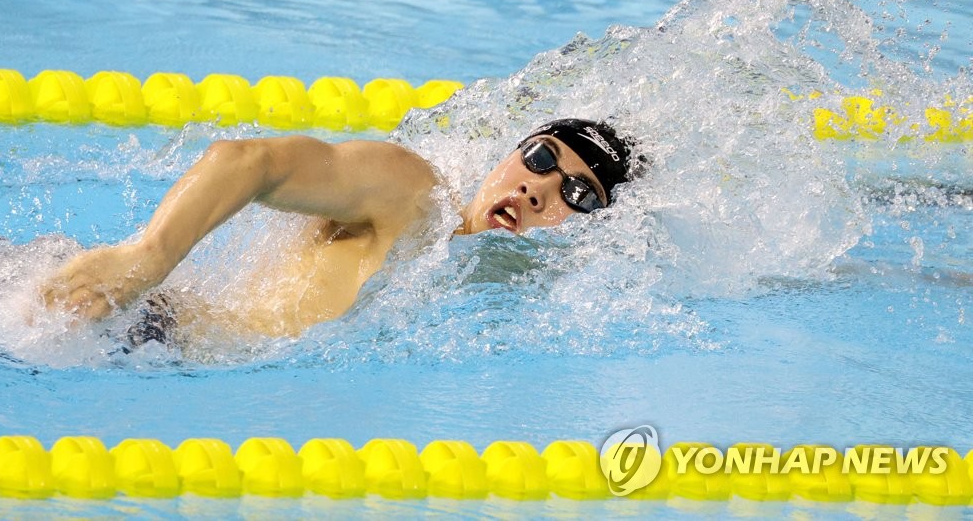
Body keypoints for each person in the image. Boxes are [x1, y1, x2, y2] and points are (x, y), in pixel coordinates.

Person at [39, 118, 642, 346]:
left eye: (578, 193)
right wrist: (148, 255)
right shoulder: (411, 194)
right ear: (511, 155)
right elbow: (247, 162)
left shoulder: (530, 297)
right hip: (126, 320)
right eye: (541, 158)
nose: (542, 188)